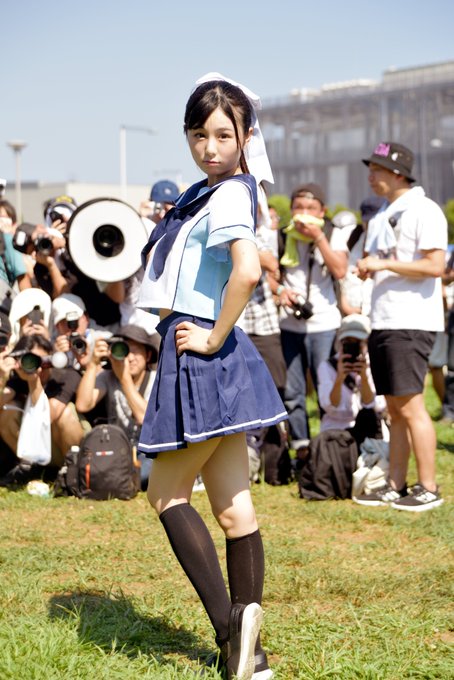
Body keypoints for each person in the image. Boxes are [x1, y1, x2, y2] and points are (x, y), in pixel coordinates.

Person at [136, 73, 287, 680]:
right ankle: (252, 657)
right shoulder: (211, 193)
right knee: (234, 509)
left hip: (199, 345)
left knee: (166, 494)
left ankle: (230, 631)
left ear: (246, 136)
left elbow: (247, 270)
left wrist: (213, 335)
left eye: (224, 134)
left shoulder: (226, 195)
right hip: (207, 351)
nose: (210, 147)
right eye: (199, 135)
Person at [356, 141, 447, 511]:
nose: (371, 175)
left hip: (411, 321)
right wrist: (370, 267)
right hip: (384, 319)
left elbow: (435, 265)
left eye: (377, 169)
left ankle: (429, 487)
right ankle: (395, 484)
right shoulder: (383, 212)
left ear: (398, 173)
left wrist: (382, 265)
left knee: (411, 406)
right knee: (393, 409)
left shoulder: (424, 209)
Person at [277, 183, 350, 454]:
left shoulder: (333, 233)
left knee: (325, 388)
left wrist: (319, 237)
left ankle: (329, 448)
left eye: (310, 208)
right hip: (289, 323)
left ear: (322, 211)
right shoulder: (282, 234)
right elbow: (271, 274)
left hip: (325, 324)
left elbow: (340, 270)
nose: (304, 213)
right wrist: (281, 291)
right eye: (299, 207)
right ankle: (302, 449)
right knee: (292, 392)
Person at [75, 324, 159, 489]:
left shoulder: (157, 379)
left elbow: (145, 418)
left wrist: (124, 379)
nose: (130, 358)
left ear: (148, 355)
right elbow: (83, 405)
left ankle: (118, 479)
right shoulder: (108, 376)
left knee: (145, 473)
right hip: (118, 449)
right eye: (124, 350)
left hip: (149, 450)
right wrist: (92, 365)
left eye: (135, 351)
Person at [336, 198, 383, 317]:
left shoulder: (391, 243)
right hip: (349, 311)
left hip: (378, 312)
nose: (370, 226)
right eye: (367, 222)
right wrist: (345, 305)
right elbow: (339, 275)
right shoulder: (352, 236)